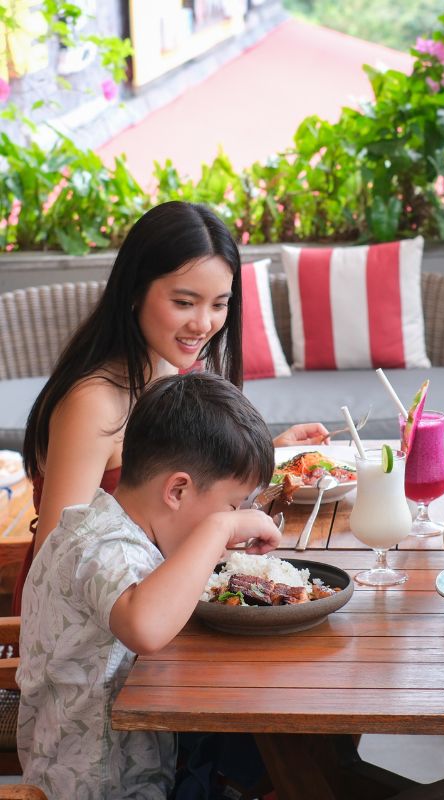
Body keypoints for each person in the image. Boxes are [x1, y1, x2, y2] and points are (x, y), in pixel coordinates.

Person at [15, 201, 328, 613]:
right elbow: (54, 566)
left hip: (157, 600)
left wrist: (263, 461)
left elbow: (177, 488)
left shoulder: (169, 369)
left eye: (219, 304)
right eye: (184, 302)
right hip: (93, 636)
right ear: (134, 292)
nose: (204, 324)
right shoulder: (93, 404)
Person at [17, 371, 283, 799]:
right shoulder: (104, 546)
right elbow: (145, 627)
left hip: (132, 761)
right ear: (177, 490)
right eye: (233, 503)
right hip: (93, 781)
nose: (234, 517)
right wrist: (218, 527)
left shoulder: (116, 525)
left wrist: (215, 536)